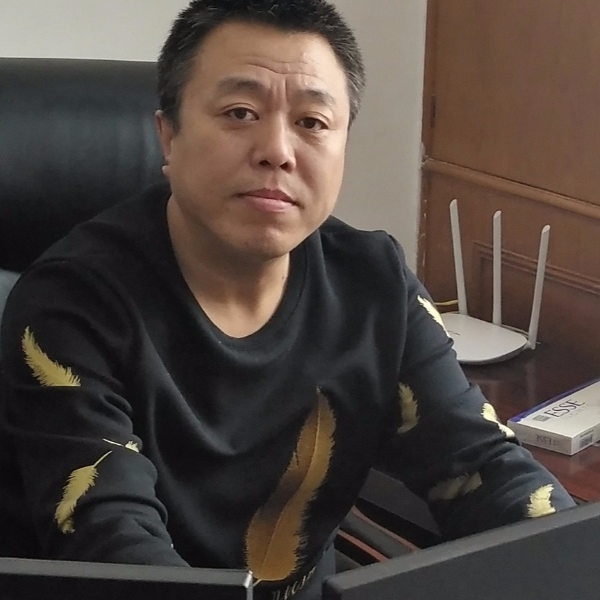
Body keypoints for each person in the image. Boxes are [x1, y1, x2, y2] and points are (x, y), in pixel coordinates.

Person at [0, 1, 576, 599]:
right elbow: (114, 547)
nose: (277, 149)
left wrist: (572, 561)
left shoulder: (374, 284)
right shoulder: (72, 306)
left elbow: (482, 467)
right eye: (240, 113)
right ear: (168, 135)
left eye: (313, 122)